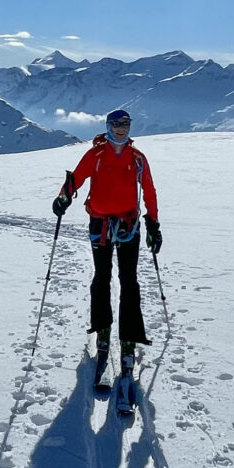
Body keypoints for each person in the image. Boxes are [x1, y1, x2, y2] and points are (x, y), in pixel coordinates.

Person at [52, 108, 162, 389]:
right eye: (117, 124)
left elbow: (148, 189)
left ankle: (127, 339)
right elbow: (76, 178)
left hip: (128, 225)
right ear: (108, 126)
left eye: (126, 124)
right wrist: (64, 197)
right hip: (99, 224)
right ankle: (103, 331)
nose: (122, 129)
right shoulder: (96, 155)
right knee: (102, 278)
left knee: (129, 281)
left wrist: (153, 223)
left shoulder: (137, 159)